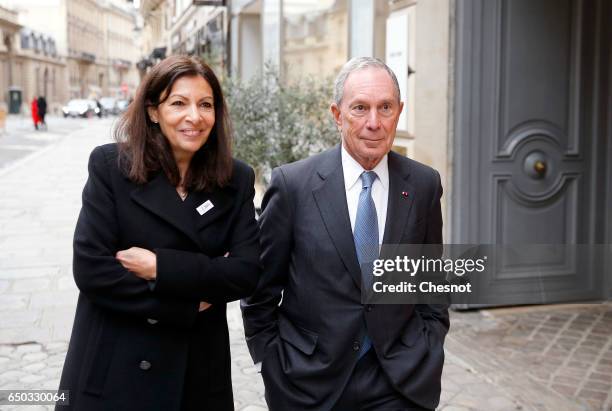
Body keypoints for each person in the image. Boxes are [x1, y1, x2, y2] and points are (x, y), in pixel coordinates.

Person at [241, 57, 449, 411]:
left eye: (385, 108)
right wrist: (270, 364)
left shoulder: (424, 185)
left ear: (399, 111)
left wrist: (428, 348)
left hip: (398, 383)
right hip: (309, 384)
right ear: (337, 115)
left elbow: (430, 285)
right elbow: (259, 292)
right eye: (360, 108)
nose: (374, 122)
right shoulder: (293, 186)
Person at [57, 56, 261, 411]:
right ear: (153, 111)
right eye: (179, 103)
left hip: (197, 371)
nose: (194, 116)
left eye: (206, 104)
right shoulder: (111, 167)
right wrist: (192, 298)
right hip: (118, 367)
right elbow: (93, 271)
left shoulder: (235, 180)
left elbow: (245, 273)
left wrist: (158, 267)